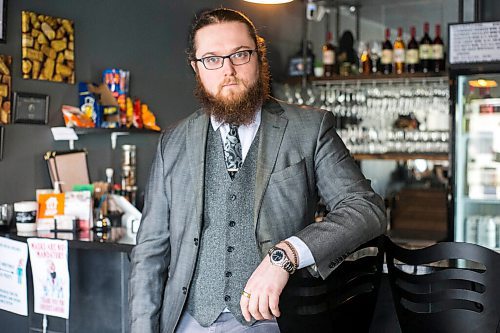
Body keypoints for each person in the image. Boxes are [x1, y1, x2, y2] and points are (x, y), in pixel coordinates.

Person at [129, 8, 386, 333]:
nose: (228, 69)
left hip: (275, 320)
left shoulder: (309, 129)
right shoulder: (172, 141)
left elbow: (366, 209)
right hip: (188, 320)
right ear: (196, 68)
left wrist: (288, 253)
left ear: (258, 56)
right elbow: (150, 250)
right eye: (212, 59)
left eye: (240, 54)